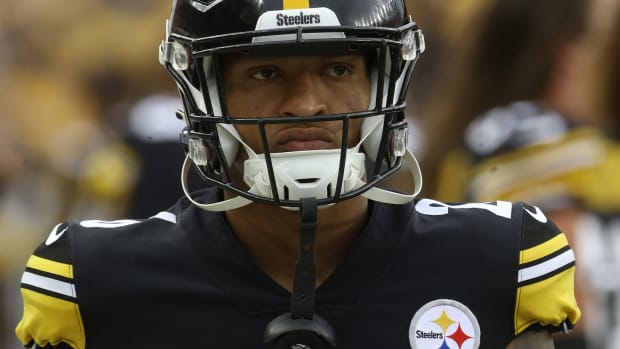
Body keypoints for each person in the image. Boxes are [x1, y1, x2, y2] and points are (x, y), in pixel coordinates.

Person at [14, 1, 580, 348]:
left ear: (386, 80)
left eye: (337, 68)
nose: (306, 104)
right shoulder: (95, 280)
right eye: (265, 72)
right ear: (205, 93)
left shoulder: (497, 258)